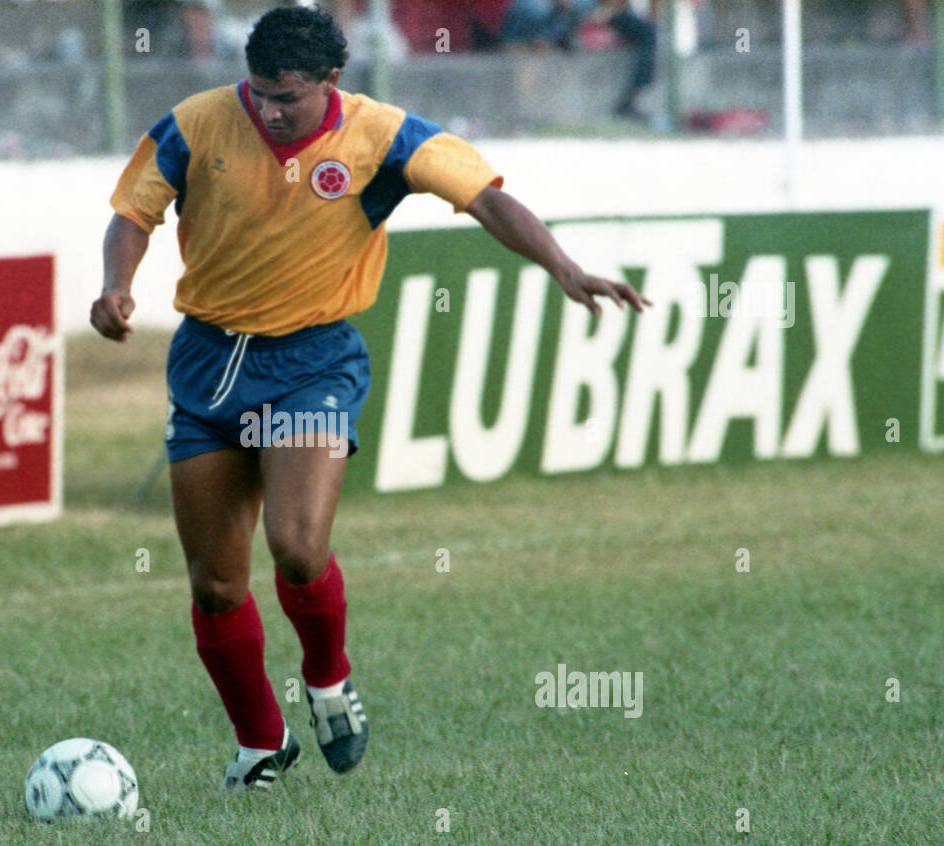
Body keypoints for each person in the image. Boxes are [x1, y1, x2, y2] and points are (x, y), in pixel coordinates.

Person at [89, 5, 649, 792]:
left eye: (290, 97)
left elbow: (488, 198)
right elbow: (131, 213)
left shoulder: (384, 136)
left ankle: (327, 678)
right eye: (262, 94)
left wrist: (562, 266)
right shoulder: (195, 124)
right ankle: (260, 746)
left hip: (314, 362)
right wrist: (117, 285)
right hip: (209, 363)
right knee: (216, 585)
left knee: (296, 546)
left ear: (331, 83)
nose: (273, 112)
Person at [501, 0, 656, 119]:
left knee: (648, 33)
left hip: (586, 9)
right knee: (533, 18)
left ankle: (632, 97)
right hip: (552, 11)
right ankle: (547, 40)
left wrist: (607, 10)